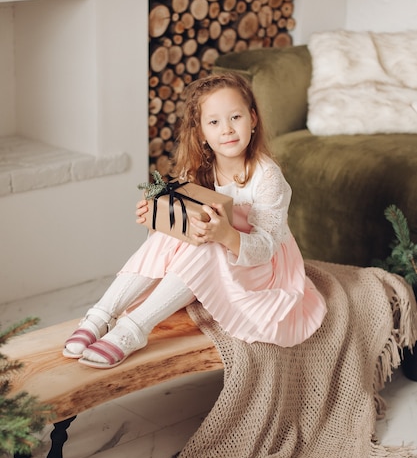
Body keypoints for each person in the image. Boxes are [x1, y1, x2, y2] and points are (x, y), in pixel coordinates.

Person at [63, 72, 327, 369]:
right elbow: (180, 227)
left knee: (207, 242)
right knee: (179, 234)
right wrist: (157, 217)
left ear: (253, 119)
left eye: (235, 117)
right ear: (201, 132)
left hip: (258, 265)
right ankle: (103, 313)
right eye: (214, 122)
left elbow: (266, 247)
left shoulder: (266, 177)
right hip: (217, 252)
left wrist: (226, 235)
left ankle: (134, 328)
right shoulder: (200, 168)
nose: (226, 129)